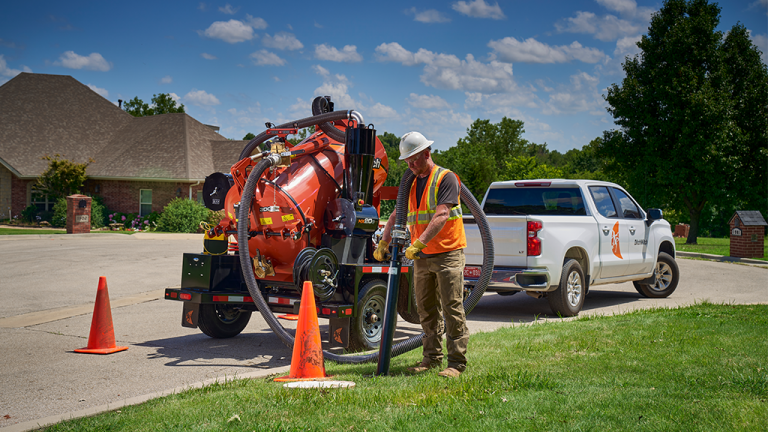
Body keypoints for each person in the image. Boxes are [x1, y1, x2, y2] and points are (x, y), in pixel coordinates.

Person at [373, 131, 468, 378]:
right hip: (423, 257)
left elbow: (442, 215)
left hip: (446, 254)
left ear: (427, 153)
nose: (411, 165)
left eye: (414, 159)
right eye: (407, 161)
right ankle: (431, 359)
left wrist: (418, 244)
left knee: (452, 308)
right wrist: (383, 242)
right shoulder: (411, 181)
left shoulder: (446, 178)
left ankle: (456, 363)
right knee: (426, 310)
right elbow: (397, 214)